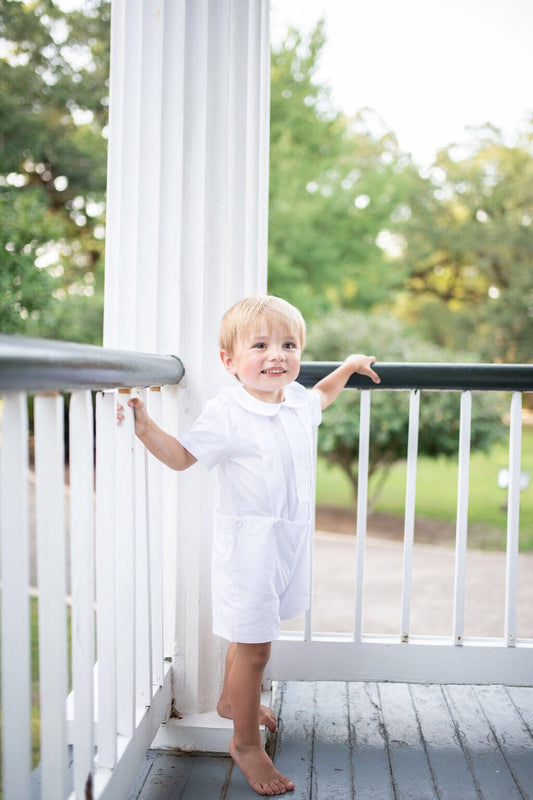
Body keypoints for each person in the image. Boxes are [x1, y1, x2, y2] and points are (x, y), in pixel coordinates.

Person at [118, 295, 380, 796]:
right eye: (260, 345)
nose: (276, 354)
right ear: (230, 361)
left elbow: (322, 395)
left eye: (288, 344)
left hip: (289, 542)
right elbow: (182, 457)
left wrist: (347, 366)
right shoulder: (228, 412)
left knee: (250, 635)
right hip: (249, 549)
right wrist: (147, 427)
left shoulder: (298, 400)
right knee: (256, 647)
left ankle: (226, 699)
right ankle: (244, 742)